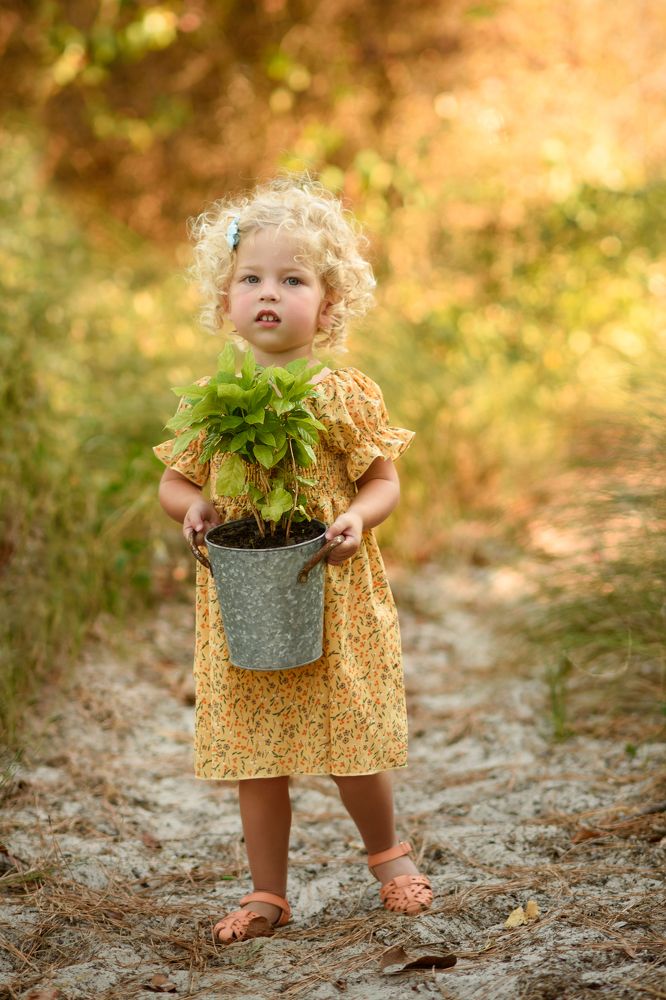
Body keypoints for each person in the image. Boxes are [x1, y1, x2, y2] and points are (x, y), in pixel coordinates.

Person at [154, 176, 433, 944]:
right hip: (246, 599)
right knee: (256, 751)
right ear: (225, 302)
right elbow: (173, 483)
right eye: (251, 279)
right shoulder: (216, 400)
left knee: (348, 738)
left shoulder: (343, 393)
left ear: (329, 304)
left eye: (292, 279)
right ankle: (267, 892)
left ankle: (390, 857)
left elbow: (384, 482)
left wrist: (354, 516)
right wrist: (195, 508)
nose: (268, 294)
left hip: (330, 588)